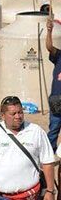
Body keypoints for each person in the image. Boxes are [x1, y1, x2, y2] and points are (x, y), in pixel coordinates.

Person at [46, 18, 61, 151]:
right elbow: (49, 47)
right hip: (57, 99)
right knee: (54, 129)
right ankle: (49, 153)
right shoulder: (59, 55)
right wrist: (49, 31)